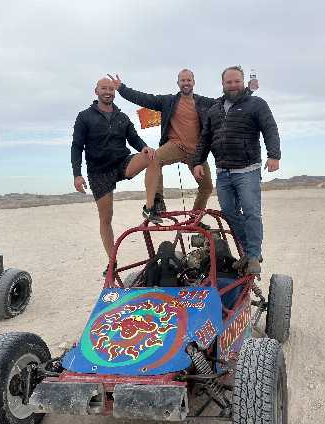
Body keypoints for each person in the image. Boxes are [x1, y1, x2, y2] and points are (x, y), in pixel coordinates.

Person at [107, 70, 258, 220]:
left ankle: (195, 218)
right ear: (178, 83)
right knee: (154, 158)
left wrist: (248, 91)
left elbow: (226, 101)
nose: (186, 83)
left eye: (189, 80)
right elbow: (144, 99)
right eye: (183, 80)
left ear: (193, 82)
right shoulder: (168, 101)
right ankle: (155, 203)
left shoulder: (203, 102)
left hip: (196, 153)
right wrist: (122, 88)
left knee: (206, 187)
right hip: (175, 146)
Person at [192, 66, 280, 274]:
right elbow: (206, 138)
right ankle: (249, 252)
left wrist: (274, 155)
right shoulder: (215, 109)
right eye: (229, 82)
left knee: (251, 212)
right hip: (223, 172)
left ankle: (253, 256)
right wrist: (198, 161)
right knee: (230, 213)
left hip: (247, 170)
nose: (233, 85)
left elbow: (270, 128)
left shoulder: (256, 104)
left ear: (243, 82)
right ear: (223, 84)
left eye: (236, 81)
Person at [70, 78, 160, 271]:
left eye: (111, 89)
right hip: (99, 171)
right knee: (106, 218)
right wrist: (77, 174)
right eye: (104, 88)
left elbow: (134, 138)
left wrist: (144, 147)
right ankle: (112, 261)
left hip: (121, 163)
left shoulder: (122, 117)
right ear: (96, 91)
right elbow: (77, 146)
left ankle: (150, 207)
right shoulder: (85, 116)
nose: (108, 91)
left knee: (152, 156)